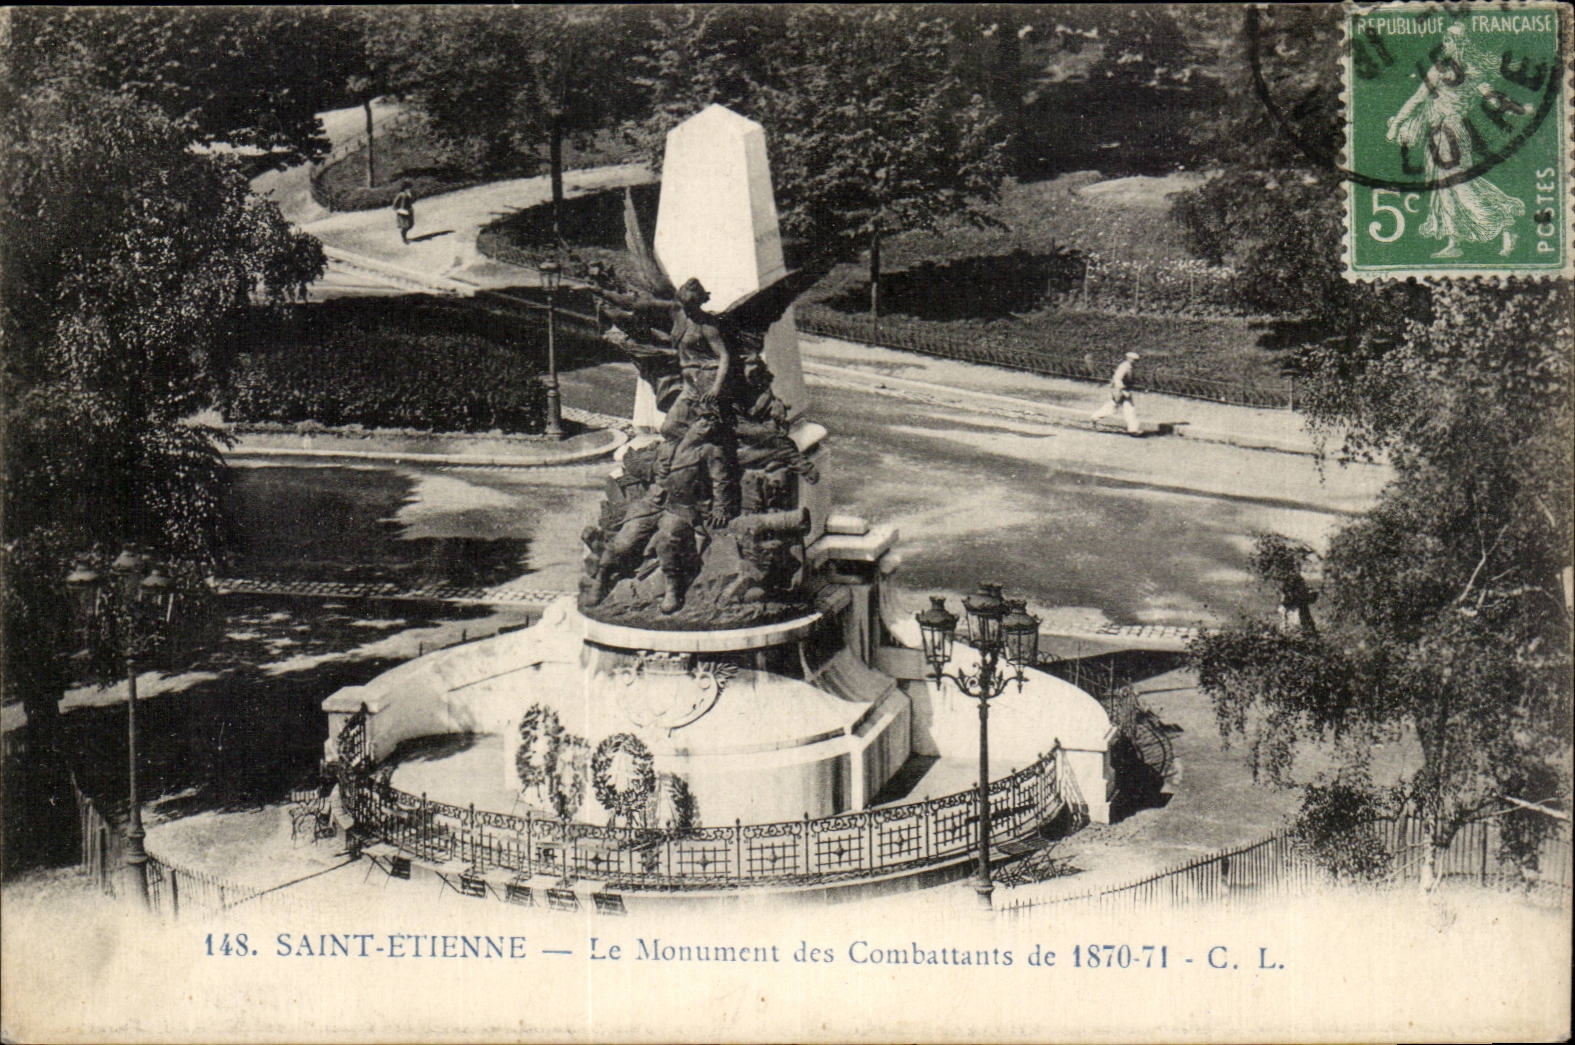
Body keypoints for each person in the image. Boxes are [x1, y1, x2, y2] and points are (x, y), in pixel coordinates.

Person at [1385, 25, 1524, 259]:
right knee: (1446, 187)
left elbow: (1416, 100)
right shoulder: (1474, 71)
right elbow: (1492, 98)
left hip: (1447, 134)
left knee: (1460, 185)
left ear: (1454, 44)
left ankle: (1504, 224)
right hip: (1451, 132)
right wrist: (1512, 107)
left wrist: (1397, 124)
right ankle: (1454, 241)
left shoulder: (1440, 70)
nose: (1444, 46)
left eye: (1447, 42)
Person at [1091, 351, 1142, 435]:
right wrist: (1122, 390)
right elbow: (1117, 379)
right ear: (1129, 359)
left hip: (1125, 390)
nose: (1136, 362)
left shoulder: (1130, 367)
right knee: (1112, 407)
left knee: (1130, 409)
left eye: (1137, 360)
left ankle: (1133, 429)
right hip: (1119, 390)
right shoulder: (1124, 367)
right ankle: (1095, 417)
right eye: (1134, 360)